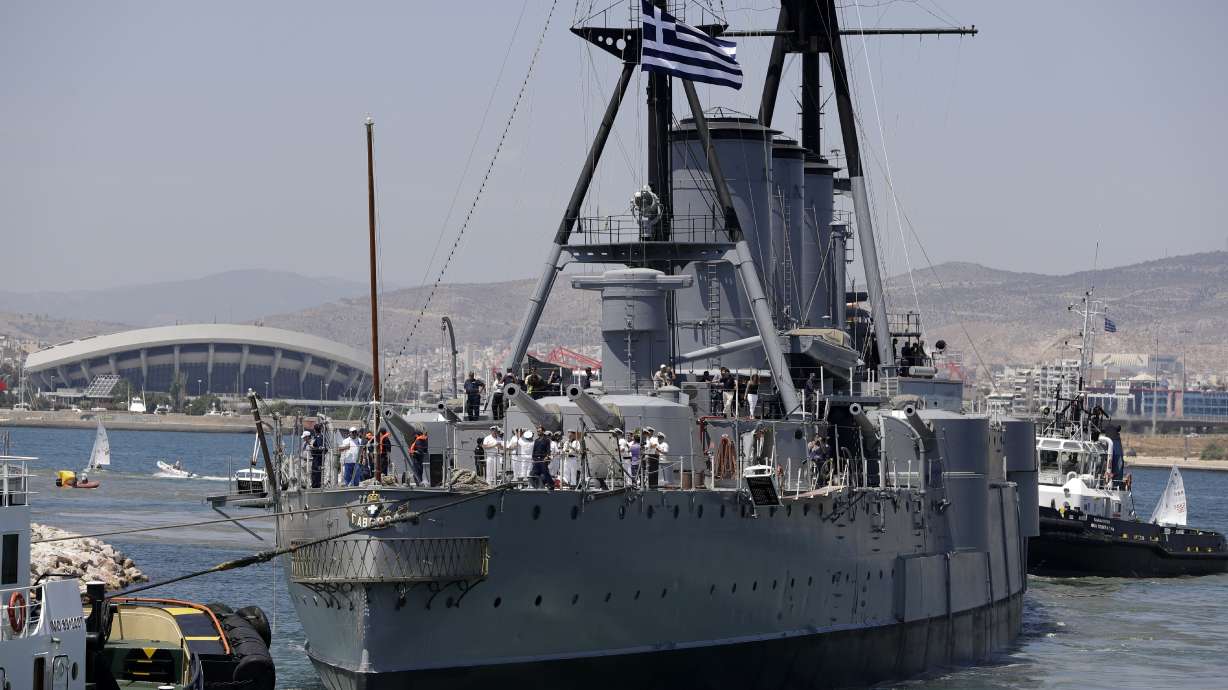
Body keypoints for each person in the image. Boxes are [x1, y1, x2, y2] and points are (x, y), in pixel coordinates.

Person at [309, 423, 325, 488]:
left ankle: (315, 486)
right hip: (319, 458)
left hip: (317, 459)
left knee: (315, 473)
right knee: (317, 473)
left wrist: (312, 447)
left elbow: (320, 448)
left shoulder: (318, 438)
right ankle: (317, 485)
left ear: (315, 430)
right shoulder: (321, 437)